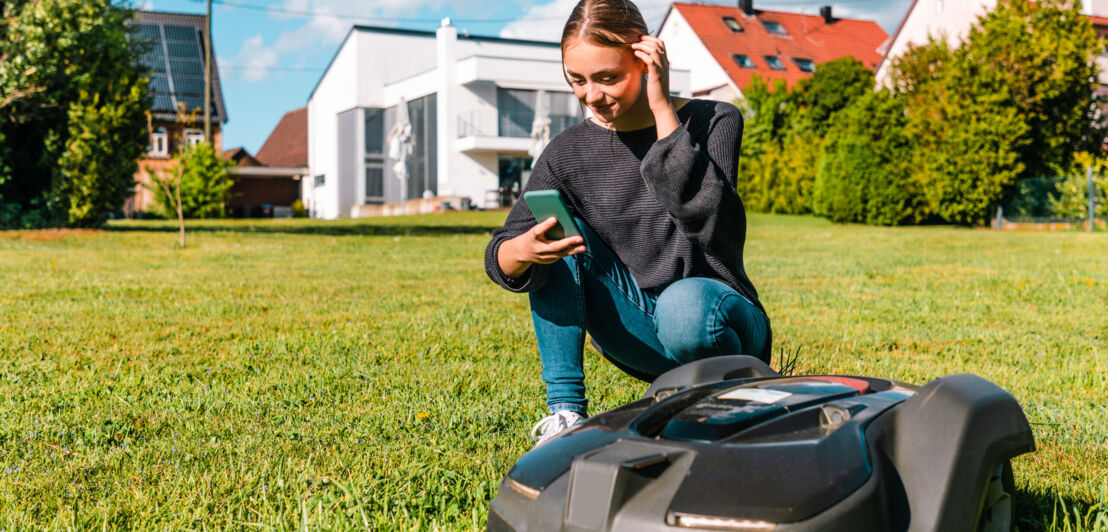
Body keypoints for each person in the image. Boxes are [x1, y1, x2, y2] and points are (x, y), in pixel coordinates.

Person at [483, 0, 771, 446]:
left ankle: (726, 393)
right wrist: (523, 252)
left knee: (683, 306)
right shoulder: (565, 154)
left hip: (720, 321)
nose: (590, 96)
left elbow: (717, 231)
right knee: (556, 235)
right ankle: (566, 414)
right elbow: (502, 248)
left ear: (646, 59)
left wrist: (662, 112)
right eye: (576, 80)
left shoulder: (714, 120)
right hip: (640, 331)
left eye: (607, 78)